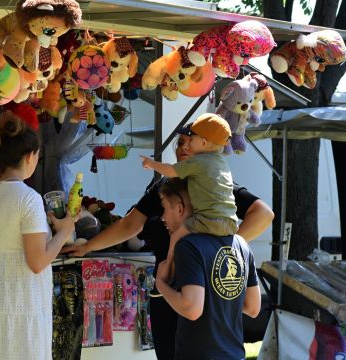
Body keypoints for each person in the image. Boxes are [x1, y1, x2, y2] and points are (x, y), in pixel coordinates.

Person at [62, 123, 274, 360]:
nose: (183, 147)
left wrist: (223, 248)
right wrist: (88, 246)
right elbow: (131, 224)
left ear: (204, 146)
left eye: (188, 142)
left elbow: (264, 214)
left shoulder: (216, 185)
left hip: (200, 295)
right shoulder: (166, 186)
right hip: (169, 295)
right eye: (179, 143)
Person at [0, 111, 76, 360]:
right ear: (31, 156)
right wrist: (64, 231)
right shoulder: (27, 198)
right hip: (18, 308)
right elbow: (37, 261)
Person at [155, 178, 261, 359]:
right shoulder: (241, 244)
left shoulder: (188, 246)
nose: (162, 217)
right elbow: (252, 307)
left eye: (164, 208)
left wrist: (161, 285)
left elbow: (192, 309)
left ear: (180, 209)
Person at [141, 113, 238, 238]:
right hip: (231, 223)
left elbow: (170, 170)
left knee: (176, 236)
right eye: (181, 143)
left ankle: (169, 258)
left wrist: (152, 164)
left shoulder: (198, 162)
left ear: (203, 143)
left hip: (208, 220)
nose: (186, 146)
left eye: (190, 140)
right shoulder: (222, 163)